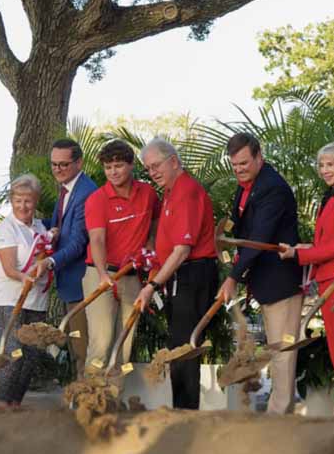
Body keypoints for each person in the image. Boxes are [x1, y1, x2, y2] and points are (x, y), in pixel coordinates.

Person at [279, 140, 334, 416]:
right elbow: (329, 241)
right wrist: (305, 249)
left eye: (331, 164)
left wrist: (301, 256)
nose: (325, 170)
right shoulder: (332, 195)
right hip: (331, 280)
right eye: (321, 165)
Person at [217, 133, 303, 414]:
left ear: (259, 157)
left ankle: (279, 417)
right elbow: (239, 232)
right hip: (263, 282)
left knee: (282, 353)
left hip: (281, 283)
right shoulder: (245, 187)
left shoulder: (272, 188)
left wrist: (233, 277)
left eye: (244, 163)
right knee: (276, 349)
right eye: (235, 165)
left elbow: (258, 238)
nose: (239, 169)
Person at [135, 137, 219, 410]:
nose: (153, 172)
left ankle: (186, 414)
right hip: (176, 277)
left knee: (184, 349)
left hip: (192, 275)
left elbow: (182, 250)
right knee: (177, 346)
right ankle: (180, 410)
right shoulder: (170, 192)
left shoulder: (186, 191)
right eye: (148, 169)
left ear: (174, 161)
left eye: (156, 165)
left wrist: (152, 286)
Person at [81, 140, 159, 371]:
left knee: (123, 345)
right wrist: (103, 274)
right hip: (101, 275)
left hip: (132, 277)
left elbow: (154, 222)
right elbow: (97, 239)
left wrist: (150, 244)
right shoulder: (97, 199)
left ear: (131, 165)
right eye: (108, 167)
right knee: (101, 343)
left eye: (118, 165)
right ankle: (90, 402)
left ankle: (114, 400)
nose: (113, 172)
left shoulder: (147, 193)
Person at [0, 174, 52, 408]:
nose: (23, 206)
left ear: (36, 201)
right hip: (7, 297)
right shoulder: (6, 228)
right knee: (14, 353)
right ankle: (2, 405)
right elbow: (11, 269)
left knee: (31, 356)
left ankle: (16, 404)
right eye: (18, 200)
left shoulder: (40, 226)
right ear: (11, 201)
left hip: (35, 299)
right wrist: (27, 277)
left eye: (28, 201)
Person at [33, 138, 97, 378]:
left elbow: (78, 242)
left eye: (63, 164)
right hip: (69, 282)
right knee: (74, 346)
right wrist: (30, 225)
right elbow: (58, 227)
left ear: (79, 162)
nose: (57, 170)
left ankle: (88, 404)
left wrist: (50, 262)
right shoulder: (67, 189)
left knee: (83, 348)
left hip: (80, 281)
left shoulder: (86, 192)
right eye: (54, 165)